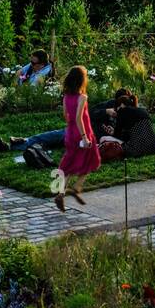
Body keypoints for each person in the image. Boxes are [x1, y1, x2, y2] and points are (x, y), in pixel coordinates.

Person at [0, 90, 132, 154]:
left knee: (53, 140)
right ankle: (19, 143)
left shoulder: (127, 116)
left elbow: (123, 137)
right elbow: (89, 114)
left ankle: (21, 143)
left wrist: (113, 132)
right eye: (117, 104)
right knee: (50, 137)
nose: (118, 108)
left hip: (89, 140)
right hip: (80, 131)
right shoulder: (108, 105)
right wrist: (105, 112)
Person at [53, 65, 101, 213]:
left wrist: (72, 129)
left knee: (70, 164)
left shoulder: (66, 97)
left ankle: (61, 193)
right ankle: (76, 187)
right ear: (82, 80)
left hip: (70, 133)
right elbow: (78, 118)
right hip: (82, 132)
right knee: (92, 159)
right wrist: (85, 137)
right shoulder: (82, 97)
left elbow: (66, 116)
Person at [97, 94, 155, 159]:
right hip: (153, 147)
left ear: (121, 104)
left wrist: (112, 133)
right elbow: (131, 135)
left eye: (116, 108)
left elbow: (118, 135)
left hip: (136, 149)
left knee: (103, 138)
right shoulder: (143, 111)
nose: (116, 110)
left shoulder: (122, 111)